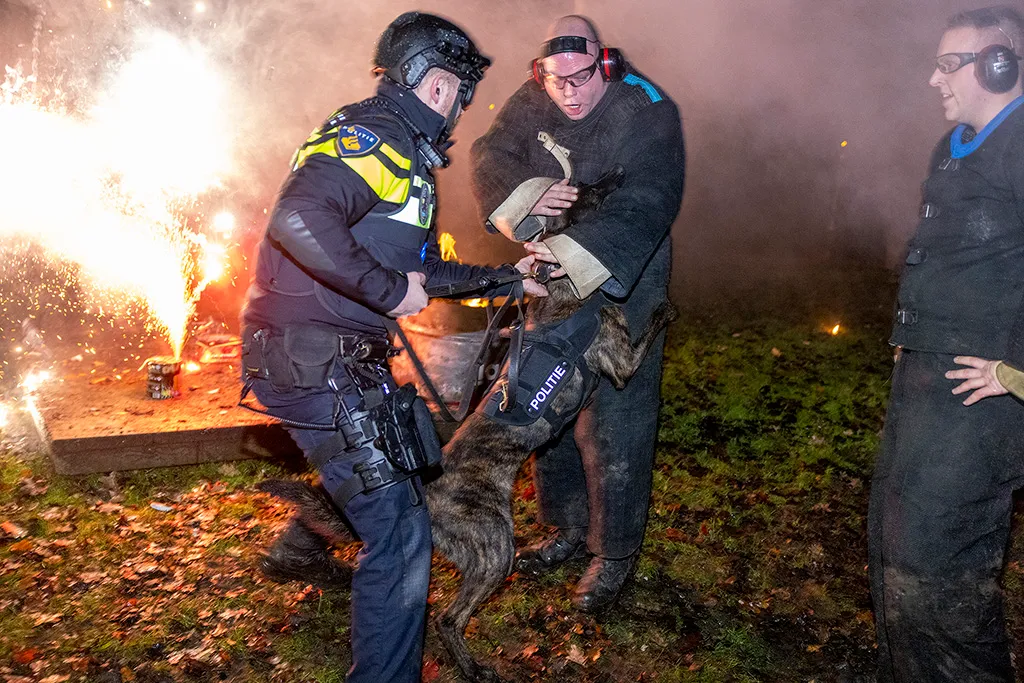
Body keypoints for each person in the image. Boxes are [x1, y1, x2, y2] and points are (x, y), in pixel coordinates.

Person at [239, 12, 545, 682]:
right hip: (313, 359)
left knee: (402, 484)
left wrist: (506, 275)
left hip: (334, 360)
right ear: (438, 86)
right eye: (462, 94)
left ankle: (304, 548)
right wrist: (383, 290)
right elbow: (297, 217)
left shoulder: (400, 152)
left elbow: (422, 272)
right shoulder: (373, 135)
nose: (462, 110)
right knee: (401, 529)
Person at [470, 15, 685, 613]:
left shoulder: (647, 107)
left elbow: (650, 197)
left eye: (581, 78)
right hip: (549, 267)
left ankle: (612, 554)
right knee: (546, 397)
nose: (568, 92)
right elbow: (492, 151)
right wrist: (526, 196)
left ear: (605, 63)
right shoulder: (537, 91)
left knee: (616, 416)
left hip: (623, 272)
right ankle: (564, 527)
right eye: (556, 80)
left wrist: (573, 255)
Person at [868, 6, 1024, 681]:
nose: (933, 78)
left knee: (941, 567)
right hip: (926, 378)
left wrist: (1019, 373)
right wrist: (913, 333)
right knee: (892, 540)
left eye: (947, 64)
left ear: (999, 63)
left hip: (982, 393)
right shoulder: (953, 144)